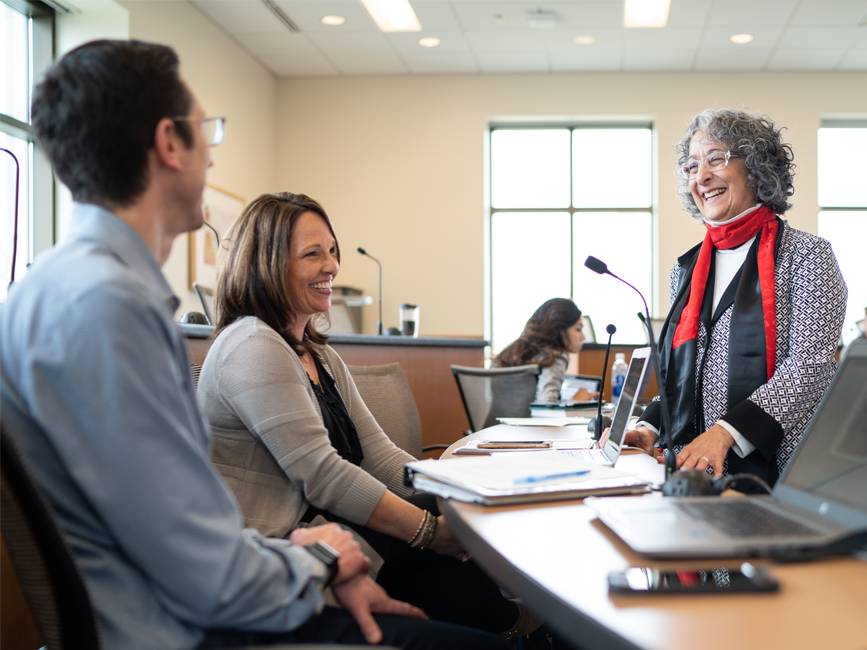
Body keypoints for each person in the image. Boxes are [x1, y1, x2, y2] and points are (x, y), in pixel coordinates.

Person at [0, 39, 503, 650]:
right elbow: (195, 562)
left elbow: (184, 525)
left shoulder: (71, 291)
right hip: (192, 631)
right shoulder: (107, 310)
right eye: (206, 131)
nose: (211, 156)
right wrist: (318, 565)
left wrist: (306, 556)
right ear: (168, 143)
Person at [197, 192, 520, 636]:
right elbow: (325, 476)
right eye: (313, 254)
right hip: (280, 558)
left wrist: (458, 487)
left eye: (332, 251)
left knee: (479, 577)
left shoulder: (316, 354)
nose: (331, 266)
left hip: (330, 535)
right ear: (267, 265)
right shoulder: (251, 344)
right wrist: (429, 531)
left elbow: (379, 455)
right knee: (469, 597)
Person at [624, 109, 847, 486]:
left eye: (716, 159)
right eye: (692, 166)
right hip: (692, 476)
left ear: (757, 167)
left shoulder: (807, 255)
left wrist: (725, 433)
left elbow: (810, 369)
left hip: (781, 475)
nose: (702, 176)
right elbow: (682, 377)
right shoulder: (686, 268)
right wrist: (647, 428)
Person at [494, 298, 595, 403]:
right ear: (559, 330)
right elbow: (547, 405)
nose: (583, 337)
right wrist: (575, 401)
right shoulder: (555, 357)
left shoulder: (508, 353)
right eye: (578, 329)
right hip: (530, 420)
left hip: (492, 419)